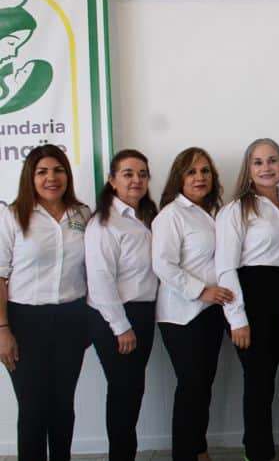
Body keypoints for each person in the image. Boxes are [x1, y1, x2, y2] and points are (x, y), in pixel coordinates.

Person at [0, 144, 90, 460]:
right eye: (42, 172)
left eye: (58, 170)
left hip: (72, 319)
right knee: (33, 407)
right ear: (31, 177)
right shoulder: (13, 216)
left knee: (63, 405)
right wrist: (2, 329)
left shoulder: (82, 214)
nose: (51, 178)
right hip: (25, 322)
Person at [215, 138, 279, 461]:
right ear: (248, 169)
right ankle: (258, 452)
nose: (266, 168)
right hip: (251, 299)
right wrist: (238, 319)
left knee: (266, 377)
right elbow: (225, 268)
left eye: (272, 160)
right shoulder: (236, 210)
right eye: (258, 162)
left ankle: (256, 443)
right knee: (258, 379)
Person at [152, 147, 230, 461]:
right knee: (191, 387)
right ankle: (186, 454)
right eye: (191, 172)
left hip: (210, 314)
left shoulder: (214, 212)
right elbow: (163, 264)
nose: (200, 177)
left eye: (205, 171)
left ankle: (199, 450)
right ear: (179, 178)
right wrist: (201, 291)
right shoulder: (171, 215)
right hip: (182, 315)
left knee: (202, 387)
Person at [85, 149, 159, 461]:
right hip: (115, 317)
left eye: (142, 174)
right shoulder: (105, 223)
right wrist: (121, 327)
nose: (136, 180)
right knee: (124, 393)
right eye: (128, 174)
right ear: (112, 181)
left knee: (132, 391)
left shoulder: (148, 216)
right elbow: (100, 280)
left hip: (142, 313)